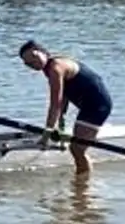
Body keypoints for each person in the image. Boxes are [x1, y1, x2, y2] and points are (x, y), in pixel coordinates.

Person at [19, 40, 115, 174]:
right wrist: (61, 126)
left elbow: (55, 103)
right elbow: (63, 98)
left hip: (97, 105)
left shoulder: (56, 67)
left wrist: (47, 133)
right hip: (87, 106)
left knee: (77, 149)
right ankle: (81, 179)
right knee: (76, 148)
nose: (33, 64)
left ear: (43, 52)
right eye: (28, 63)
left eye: (35, 57)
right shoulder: (49, 68)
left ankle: (82, 188)